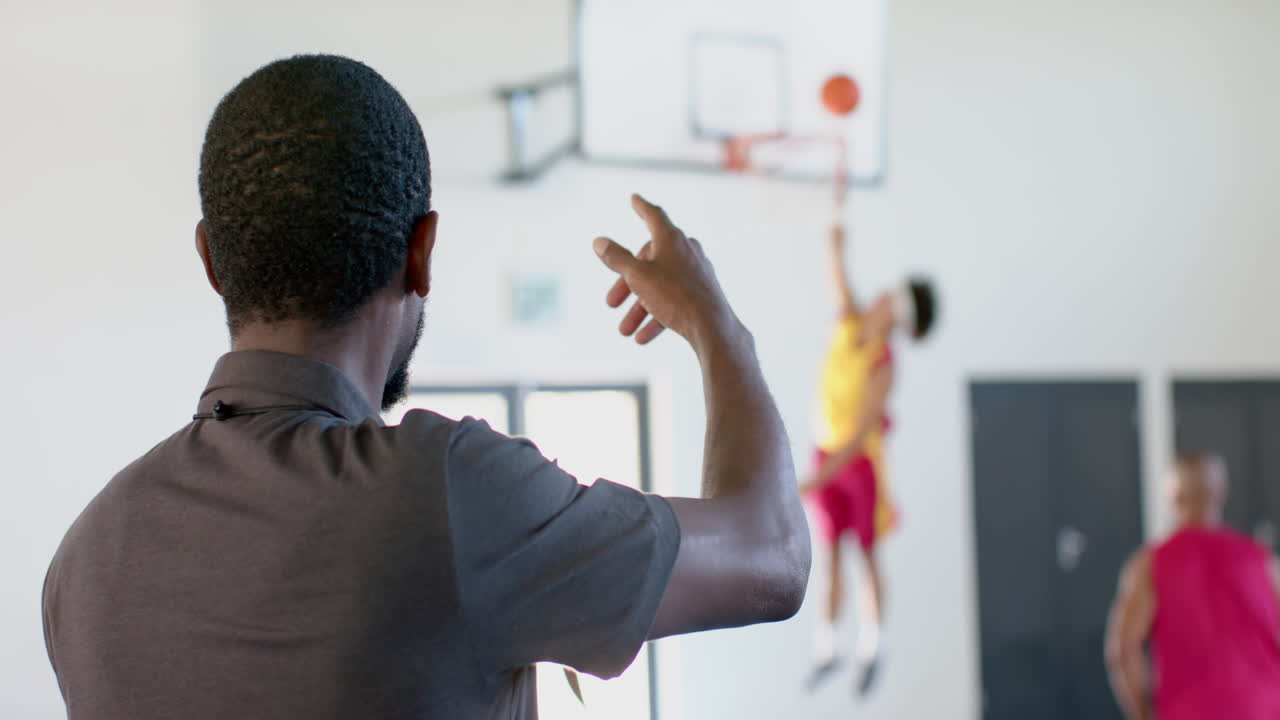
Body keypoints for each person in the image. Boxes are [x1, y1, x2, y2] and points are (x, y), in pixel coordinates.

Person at [41, 55, 810, 720]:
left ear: (212, 260)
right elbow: (771, 557)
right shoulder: (449, 497)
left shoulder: (84, 561)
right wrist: (717, 326)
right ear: (422, 254)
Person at [801, 221, 936, 696]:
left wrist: (811, 482)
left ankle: (874, 643)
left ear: (896, 313)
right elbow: (838, 273)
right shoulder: (849, 323)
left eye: (889, 297)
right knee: (830, 554)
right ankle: (827, 646)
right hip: (827, 456)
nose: (878, 295)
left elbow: (859, 438)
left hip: (856, 467)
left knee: (865, 551)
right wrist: (833, 241)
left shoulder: (882, 365)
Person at [1106, 453, 1280, 720]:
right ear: (1221, 493)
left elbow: (1122, 651)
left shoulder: (1151, 565)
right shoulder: (1262, 562)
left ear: (1173, 498)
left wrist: (1142, 714)